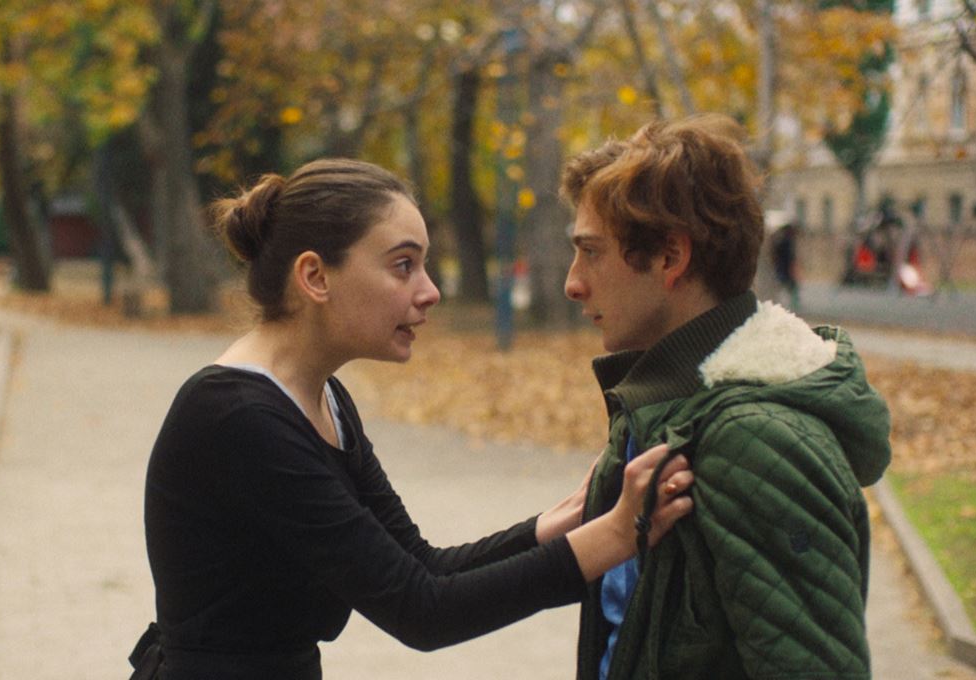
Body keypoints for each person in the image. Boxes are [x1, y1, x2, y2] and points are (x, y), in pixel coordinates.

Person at [134, 158, 695, 680]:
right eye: (403, 265)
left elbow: (422, 566)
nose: (430, 292)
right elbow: (423, 610)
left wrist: (558, 523)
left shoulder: (323, 400)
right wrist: (617, 535)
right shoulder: (238, 418)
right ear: (316, 277)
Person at [558, 116, 892, 680]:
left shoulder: (756, 441)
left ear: (670, 257)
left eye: (591, 252)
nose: (572, 282)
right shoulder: (666, 406)